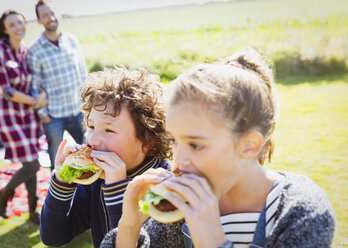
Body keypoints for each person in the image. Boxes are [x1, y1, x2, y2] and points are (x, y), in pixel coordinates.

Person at [101, 49, 336, 248]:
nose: (179, 160)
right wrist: (129, 226)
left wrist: (211, 237)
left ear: (249, 145)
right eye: (174, 141)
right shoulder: (178, 207)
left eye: (195, 144)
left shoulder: (300, 211)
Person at [39, 66, 172, 247]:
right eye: (92, 127)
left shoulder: (164, 190)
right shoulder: (97, 179)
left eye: (109, 130)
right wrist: (62, 181)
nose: (92, 140)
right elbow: (53, 236)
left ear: (147, 141)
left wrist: (116, 191)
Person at [0, 10, 47, 224]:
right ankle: (2, 194)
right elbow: (5, 90)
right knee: (32, 165)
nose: (18, 27)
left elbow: (37, 81)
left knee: (32, 161)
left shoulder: (27, 51)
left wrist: (41, 95)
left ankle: (32, 212)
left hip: (28, 115)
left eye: (20, 23)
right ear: (4, 29)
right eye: (12, 25)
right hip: (8, 115)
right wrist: (34, 100)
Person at [28, 0, 88, 171]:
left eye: (52, 13)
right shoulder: (35, 50)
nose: (51, 18)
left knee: (86, 153)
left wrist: (87, 104)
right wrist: (43, 114)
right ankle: (58, 194)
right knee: (57, 160)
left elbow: (82, 73)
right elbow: (34, 85)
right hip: (54, 115)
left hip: (78, 110)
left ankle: (87, 192)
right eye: (45, 15)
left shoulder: (71, 40)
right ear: (39, 20)